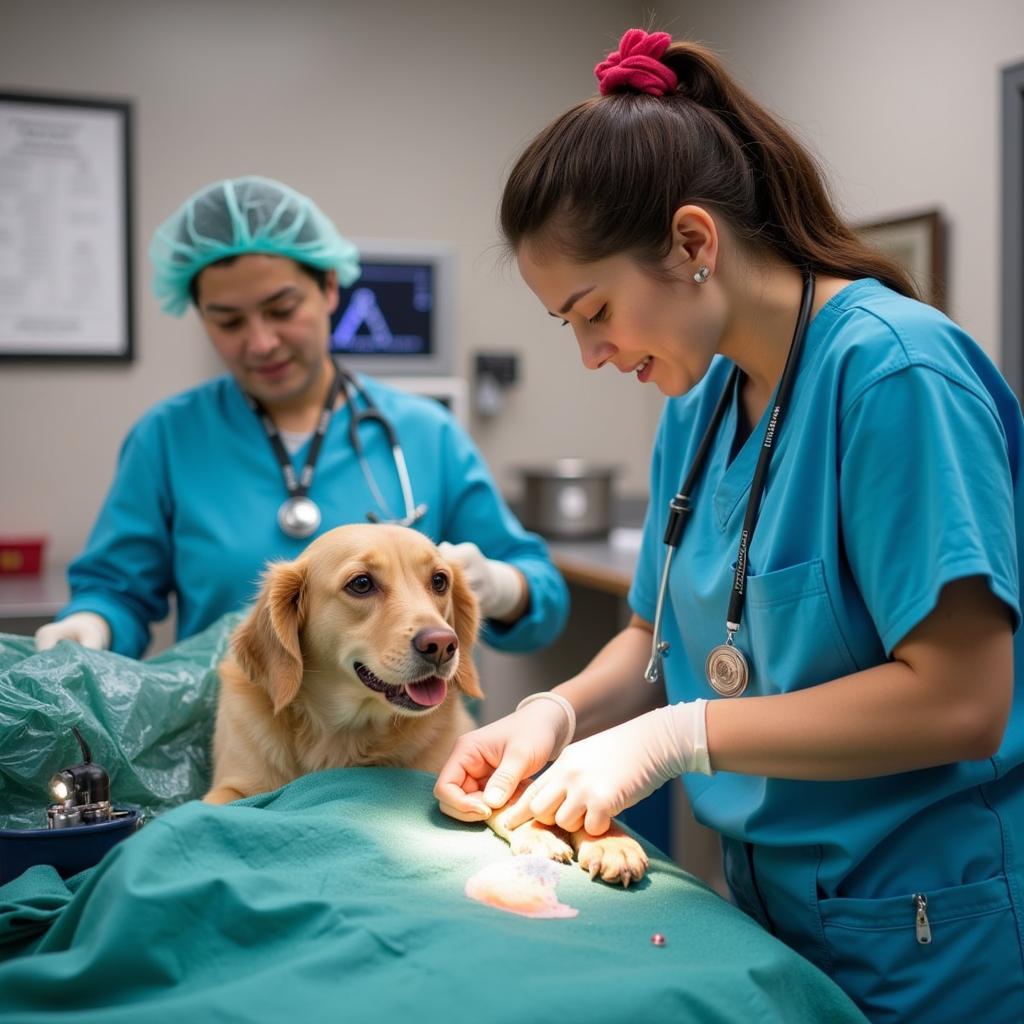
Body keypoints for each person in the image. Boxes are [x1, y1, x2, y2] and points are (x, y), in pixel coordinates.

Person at [434, 29, 1024, 1023]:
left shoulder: (892, 375)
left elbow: (962, 698)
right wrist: (558, 714)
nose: (589, 352)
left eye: (595, 310)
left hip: (926, 926)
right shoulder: (696, 407)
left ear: (694, 243)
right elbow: (648, 632)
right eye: (567, 326)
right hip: (768, 910)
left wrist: (679, 735)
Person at [35, 176, 568, 660]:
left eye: (282, 310)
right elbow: (118, 590)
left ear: (330, 289)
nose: (261, 341)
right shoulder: (168, 439)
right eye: (228, 321)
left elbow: (544, 598)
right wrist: (91, 624)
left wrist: (499, 585)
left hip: (405, 751)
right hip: (234, 738)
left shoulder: (425, 433)